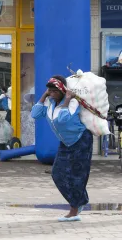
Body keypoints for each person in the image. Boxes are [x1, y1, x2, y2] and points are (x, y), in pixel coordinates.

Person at [31, 75, 92, 222]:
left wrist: (66, 100)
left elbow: (63, 120)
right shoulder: (49, 102)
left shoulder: (73, 102)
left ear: (63, 90)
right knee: (57, 174)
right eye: (49, 90)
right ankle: (80, 201)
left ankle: (74, 210)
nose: (51, 93)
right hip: (65, 143)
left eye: (55, 90)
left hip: (81, 140)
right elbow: (35, 114)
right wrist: (44, 95)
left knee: (77, 175)